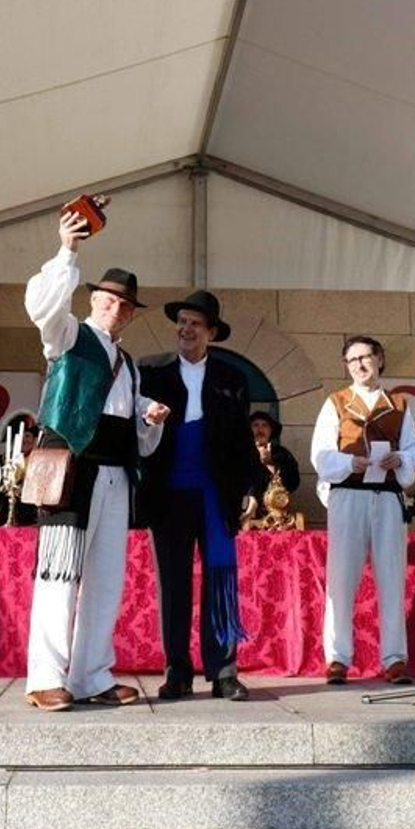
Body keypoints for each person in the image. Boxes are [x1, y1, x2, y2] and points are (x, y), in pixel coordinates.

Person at [21, 208, 168, 711]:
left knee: (106, 579)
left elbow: (130, 415)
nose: (118, 309)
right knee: (59, 574)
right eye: (111, 300)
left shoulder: (127, 362)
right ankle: (45, 677)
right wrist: (67, 250)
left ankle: (91, 676)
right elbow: (43, 308)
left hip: (114, 473)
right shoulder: (67, 335)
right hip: (72, 467)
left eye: (126, 305)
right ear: (94, 300)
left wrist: (150, 415)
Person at [138, 289, 260, 701]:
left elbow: (242, 440)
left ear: (211, 332)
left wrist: (249, 488)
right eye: (182, 322)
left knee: (220, 579)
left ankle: (224, 672)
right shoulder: (150, 371)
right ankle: (177, 670)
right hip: (167, 493)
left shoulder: (232, 378)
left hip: (215, 493)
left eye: (195, 323)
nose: (186, 329)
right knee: (173, 584)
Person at [311, 336, 415, 685]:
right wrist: (350, 462)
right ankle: (337, 657)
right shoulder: (336, 402)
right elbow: (320, 454)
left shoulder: (399, 404)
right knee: (341, 578)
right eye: (352, 360)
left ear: (379, 359)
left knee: (391, 576)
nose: (359, 364)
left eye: (365, 357)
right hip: (349, 494)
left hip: (387, 496)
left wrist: (400, 459)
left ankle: (394, 658)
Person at [0, 410, 40, 527]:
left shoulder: (40, 463)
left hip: (32, 521)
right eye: (19, 435)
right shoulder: (1, 461)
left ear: (34, 439)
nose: (23, 439)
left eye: (27, 436)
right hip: (4, 519)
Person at [250, 411, 301, 503]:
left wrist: (269, 463)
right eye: (256, 425)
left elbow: (293, 483)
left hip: (274, 506)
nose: (260, 429)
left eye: (264, 425)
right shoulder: (240, 453)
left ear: (271, 430)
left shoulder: (283, 454)